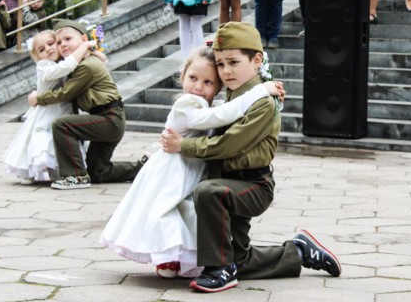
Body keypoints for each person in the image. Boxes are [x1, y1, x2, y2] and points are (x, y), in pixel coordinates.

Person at [161, 22, 340, 293]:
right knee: (240, 259)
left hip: (252, 185)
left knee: (208, 192)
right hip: (229, 181)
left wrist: (184, 145)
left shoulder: (263, 103)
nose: (226, 71)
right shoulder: (237, 93)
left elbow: (229, 145)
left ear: (257, 60)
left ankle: (219, 269)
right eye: (220, 64)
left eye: (233, 62)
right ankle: (299, 251)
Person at [100, 46, 284, 279]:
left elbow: (220, 115)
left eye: (208, 82)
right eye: (193, 78)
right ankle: (167, 258)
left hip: (190, 167)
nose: (198, 86)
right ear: (182, 77)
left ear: (218, 87)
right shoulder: (187, 103)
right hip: (174, 169)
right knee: (165, 211)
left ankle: (181, 259)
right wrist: (259, 91)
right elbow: (219, 116)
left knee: (188, 211)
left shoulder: (208, 105)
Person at [27, 19, 142, 190]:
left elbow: (66, 92)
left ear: (82, 40)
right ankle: (142, 169)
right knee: (98, 172)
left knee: (62, 125)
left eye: (68, 39)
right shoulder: (80, 63)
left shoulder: (86, 66)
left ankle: (76, 176)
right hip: (106, 118)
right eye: (59, 42)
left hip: (109, 118)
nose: (63, 44)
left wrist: (39, 98)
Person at [2, 30, 102, 183]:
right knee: (43, 138)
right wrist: (86, 44)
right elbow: (65, 68)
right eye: (42, 49)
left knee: (62, 139)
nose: (48, 49)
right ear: (37, 56)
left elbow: (101, 60)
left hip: (63, 109)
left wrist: (90, 49)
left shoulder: (66, 60)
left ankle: (62, 169)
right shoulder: (44, 66)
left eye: (51, 43)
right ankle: (33, 170)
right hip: (47, 111)